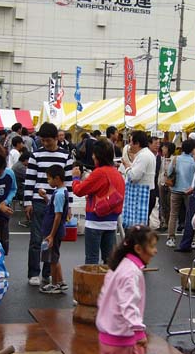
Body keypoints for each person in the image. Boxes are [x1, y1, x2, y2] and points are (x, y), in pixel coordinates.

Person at [57, 225, 157, 354]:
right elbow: (128, 305)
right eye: (152, 246)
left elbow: (107, 297)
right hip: (122, 336)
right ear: (138, 249)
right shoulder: (130, 273)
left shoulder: (122, 265)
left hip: (117, 332)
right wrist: (139, 331)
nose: (155, 251)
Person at [23, 122, 73, 287]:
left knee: (51, 240)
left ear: (56, 138)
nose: (44, 143)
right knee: (37, 239)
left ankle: (47, 273)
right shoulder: (35, 155)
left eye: (48, 140)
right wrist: (27, 202)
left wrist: (69, 206)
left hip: (57, 203)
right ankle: (34, 273)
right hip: (39, 202)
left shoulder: (66, 156)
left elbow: (69, 182)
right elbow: (30, 180)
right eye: (42, 140)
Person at [71, 140, 125, 265]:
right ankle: (109, 283)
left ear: (97, 156)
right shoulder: (116, 174)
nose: (92, 157)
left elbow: (78, 190)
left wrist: (75, 177)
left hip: (95, 221)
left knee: (91, 260)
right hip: (111, 222)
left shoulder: (99, 173)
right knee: (109, 260)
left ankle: (93, 284)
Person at [39, 165, 68, 294]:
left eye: (49, 179)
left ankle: (55, 284)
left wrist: (51, 235)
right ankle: (60, 282)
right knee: (55, 257)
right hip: (52, 230)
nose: (48, 181)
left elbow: (58, 216)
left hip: (53, 231)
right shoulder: (59, 192)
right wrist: (45, 198)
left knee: (52, 259)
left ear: (57, 178)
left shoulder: (60, 194)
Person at [175, 145, 195, 253]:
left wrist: (193, 189)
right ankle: (187, 244)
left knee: (194, 221)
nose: (193, 155)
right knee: (194, 221)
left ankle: (186, 244)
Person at [166, 139, 195, 248]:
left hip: (175, 189)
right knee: (192, 215)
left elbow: (169, 172)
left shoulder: (175, 159)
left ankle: (171, 238)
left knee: (173, 214)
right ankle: (194, 239)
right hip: (189, 191)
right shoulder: (194, 161)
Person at [122, 131, 155, 228]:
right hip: (146, 192)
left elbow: (134, 176)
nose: (130, 145)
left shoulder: (143, 156)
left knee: (139, 228)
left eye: (131, 142)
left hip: (143, 193)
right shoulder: (145, 154)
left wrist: (127, 166)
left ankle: (140, 243)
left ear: (137, 143)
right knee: (140, 227)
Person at [157, 142, 176, 231]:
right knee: (162, 203)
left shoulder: (174, 159)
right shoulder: (161, 159)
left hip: (170, 184)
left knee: (169, 204)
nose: (162, 149)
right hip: (162, 183)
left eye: (164, 148)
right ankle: (163, 222)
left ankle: (168, 222)